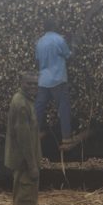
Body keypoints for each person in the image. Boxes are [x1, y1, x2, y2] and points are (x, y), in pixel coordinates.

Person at [5, 73, 42, 205]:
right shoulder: (21, 104)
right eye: (29, 84)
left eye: (35, 84)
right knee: (25, 195)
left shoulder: (26, 101)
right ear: (21, 83)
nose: (33, 87)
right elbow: (24, 138)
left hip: (26, 158)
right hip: (24, 160)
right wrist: (32, 165)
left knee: (28, 194)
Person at [35, 16, 77, 148]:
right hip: (58, 80)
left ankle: (34, 133)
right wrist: (72, 46)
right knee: (63, 108)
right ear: (54, 26)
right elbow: (68, 55)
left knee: (38, 109)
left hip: (43, 80)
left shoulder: (39, 42)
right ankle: (66, 137)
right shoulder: (59, 39)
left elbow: (37, 60)